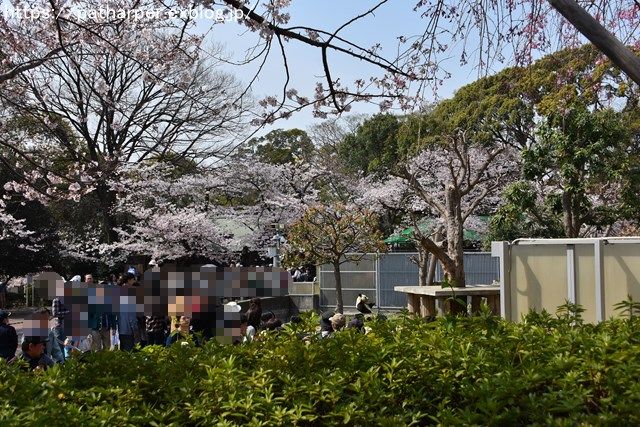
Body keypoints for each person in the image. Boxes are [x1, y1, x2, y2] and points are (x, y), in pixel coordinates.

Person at [117, 273, 138, 351]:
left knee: (123, 352)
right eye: (133, 279)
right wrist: (134, 326)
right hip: (128, 327)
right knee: (129, 352)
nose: (134, 281)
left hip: (121, 326)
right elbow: (131, 312)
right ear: (129, 280)